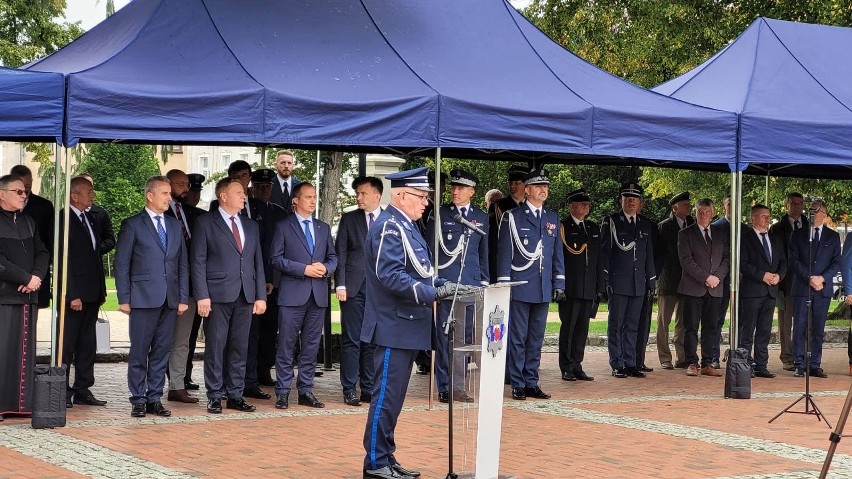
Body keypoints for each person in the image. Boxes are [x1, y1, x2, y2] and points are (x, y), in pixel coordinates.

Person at [361, 167, 464, 479]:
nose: (426, 202)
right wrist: (430, 292)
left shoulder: (407, 225)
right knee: (386, 396)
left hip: (406, 325)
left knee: (393, 398)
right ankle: (376, 463)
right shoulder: (389, 227)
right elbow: (390, 274)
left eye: (427, 197)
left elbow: (419, 270)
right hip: (394, 325)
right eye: (421, 196)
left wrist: (441, 284)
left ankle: (386, 457)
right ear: (401, 195)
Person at [114, 176, 189, 418]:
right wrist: (124, 298)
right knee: (139, 351)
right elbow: (122, 263)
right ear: (150, 195)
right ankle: (137, 398)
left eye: (169, 193)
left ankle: (154, 397)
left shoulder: (175, 225)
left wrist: (183, 297)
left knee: (161, 351)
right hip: (143, 298)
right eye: (165, 193)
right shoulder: (133, 224)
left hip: (170, 299)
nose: (169, 198)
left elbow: (182, 265)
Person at [192, 177, 267, 414]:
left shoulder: (251, 225)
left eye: (244, 192)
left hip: (245, 294)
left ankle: (235, 394)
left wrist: (260, 296)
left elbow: (257, 263)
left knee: (240, 346)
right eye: (238, 192)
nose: (244, 196)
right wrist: (202, 295)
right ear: (223, 196)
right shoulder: (205, 222)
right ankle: (214, 395)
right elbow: (198, 261)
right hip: (217, 295)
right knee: (215, 346)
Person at [497, 167, 565, 400]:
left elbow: (557, 254)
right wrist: (505, 284)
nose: (543, 190)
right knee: (518, 337)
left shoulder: (552, 218)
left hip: (543, 287)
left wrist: (560, 282)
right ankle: (517, 382)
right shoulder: (513, 217)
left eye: (545, 186)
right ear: (527, 190)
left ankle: (531, 381)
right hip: (520, 285)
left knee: (536, 338)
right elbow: (505, 254)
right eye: (538, 186)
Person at [269, 182, 338, 409]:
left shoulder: (323, 227)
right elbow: (275, 258)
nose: (312, 201)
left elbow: (333, 256)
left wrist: (326, 268)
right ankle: (282, 391)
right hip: (292, 295)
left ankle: (306, 390)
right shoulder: (283, 226)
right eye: (308, 197)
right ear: (295, 201)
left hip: (317, 294)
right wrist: (303, 269)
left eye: (315, 197)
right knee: (286, 344)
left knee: (311, 345)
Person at [427, 169, 489, 403]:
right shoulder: (440, 214)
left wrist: (484, 279)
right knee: (445, 337)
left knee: (465, 338)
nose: (455, 191)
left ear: (472, 191)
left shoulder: (481, 217)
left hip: (471, 283)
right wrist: (434, 281)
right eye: (453, 187)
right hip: (447, 283)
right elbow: (430, 250)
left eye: (461, 188)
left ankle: (459, 385)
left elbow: (483, 253)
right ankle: (444, 386)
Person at [0, 174, 49, 421]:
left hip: (28, 296)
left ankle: (21, 404)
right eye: (18, 192)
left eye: (25, 192)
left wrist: (36, 277)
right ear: (2, 194)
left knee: (25, 352)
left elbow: (42, 252)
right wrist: (24, 278)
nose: (24, 195)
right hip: (4, 297)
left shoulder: (29, 221)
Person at [59, 176, 108, 408]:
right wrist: (72, 294)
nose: (93, 194)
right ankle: (62, 389)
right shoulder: (64, 219)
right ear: (74, 195)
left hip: (93, 293)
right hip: (75, 296)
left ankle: (82, 388)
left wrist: (101, 290)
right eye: (88, 191)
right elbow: (63, 260)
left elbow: (95, 255)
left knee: (88, 344)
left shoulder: (89, 218)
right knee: (67, 343)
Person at [335, 176, 383, 406]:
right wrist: (340, 284)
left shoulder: (389, 219)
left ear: (377, 195)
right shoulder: (349, 219)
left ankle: (368, 387)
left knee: (372, 341)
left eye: (363, 193)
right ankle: (349, 388)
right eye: (357, 194)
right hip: (353, 288)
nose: (359, 197)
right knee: (352, 340)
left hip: (380, 290)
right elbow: (341, 253)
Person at [599, 183, 656, 378]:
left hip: (638, 283)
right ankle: (617, 363)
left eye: (634, 198)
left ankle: (631, 362)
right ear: (620, 201)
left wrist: (651, 280)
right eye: (627, 198)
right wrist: (605, 279)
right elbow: (605, 252)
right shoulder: (612, 222)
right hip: (619, 282)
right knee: (616, 324)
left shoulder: (644, 224)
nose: (631, 202)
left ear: (640, 202)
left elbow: (648, 255)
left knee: (633, 325)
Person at [163, 169, 206, 404]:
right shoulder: (159, 213)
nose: (185, 188)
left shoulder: (191, 214)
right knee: (158, 340)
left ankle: (177, 385)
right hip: (161, 287)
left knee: (182, 340)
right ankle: (151, 387)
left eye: (186, 184)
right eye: (180, 183)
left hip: (187, 287)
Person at [788, 199, 840, 378]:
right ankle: (799, 363)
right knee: (800, 325)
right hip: (803, 287)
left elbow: (836, 262)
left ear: (823, 215)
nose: (811, 214)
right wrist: (809, 277)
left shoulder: (832, 237)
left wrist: (822, 278)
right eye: (810, 210)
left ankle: (815, 364)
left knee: (818, 327)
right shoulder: (798, 234)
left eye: (815, 211)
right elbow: (793, 260)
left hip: (823, 289)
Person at [677, 198, 729, 377]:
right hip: (693, 287)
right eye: (700, 211)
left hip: (715, 288)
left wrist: (717, 278)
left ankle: (708, 363)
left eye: (707, 212)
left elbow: (727, 259)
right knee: (691, 327)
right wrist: (706, 277)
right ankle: (691, 362)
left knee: (711, 327)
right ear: (695, 212)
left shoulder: (721, 233)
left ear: (713, 213)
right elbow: (686, 261)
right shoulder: (685, 234)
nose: (703, 215)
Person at [248, 168, 288, 393]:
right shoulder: (248, 211)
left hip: (275, 280)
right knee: (251, 330)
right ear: (252, 188)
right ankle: (250, 373)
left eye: (267, 186)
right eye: (259, 186)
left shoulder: (279, 213)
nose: (264, 190)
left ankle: (264, 369)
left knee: (270, 329)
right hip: (253, 279)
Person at [739, 204, 786, 379]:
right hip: (752, 291)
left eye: (769, 216)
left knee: (765, 330)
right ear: (753, 218)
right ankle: (746, 364)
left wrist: (778, 276)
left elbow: (783, 262)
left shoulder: (775, 239)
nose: (767, 219)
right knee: (747, 329)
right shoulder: (745, 238)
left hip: (771, 291)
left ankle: (761, 365)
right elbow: (742, 264)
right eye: (763, 216)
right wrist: (762, 276)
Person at [557, 189, 599, 382]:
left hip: (587, 287)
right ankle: (566, 366)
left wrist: (598, 286)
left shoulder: (591, 228)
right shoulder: (563, 227)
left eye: (587, 204)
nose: (585, 207)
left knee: (582, 328)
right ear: (571, 206)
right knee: (569, 328)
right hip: (571, 287)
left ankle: (577, 365)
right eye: (581, 204)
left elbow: (597, 259)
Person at [769, 192, 807, 372]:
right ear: (786, 205)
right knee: (786, 323)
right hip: (786, 282)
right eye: (793, 203)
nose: (797, 206)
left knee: (806, 321)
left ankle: (804, 355)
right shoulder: (777, 229)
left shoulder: (809, 224)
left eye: (800, 203)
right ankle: (787, 357)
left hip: (806, 282)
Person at [655, 191, 693, 370]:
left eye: (689, 204)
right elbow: (658, 254)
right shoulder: (664, 226)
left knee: (683, 322)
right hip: (668, 281)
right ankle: (664, 357)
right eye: (685, 204)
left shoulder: (692, 224)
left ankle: (682, 357)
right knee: (664, 322)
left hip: (687, 282)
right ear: (675, 207)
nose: (689, 207)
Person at [183, 173, 206, 389]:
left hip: (195, 284)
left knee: (190, 335)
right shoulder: (177, 214)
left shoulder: (202, 216)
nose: (194, 196)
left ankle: (185, 375)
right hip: (180, 281)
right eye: (191, 191)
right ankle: (177, 376)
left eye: (197, 192)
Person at [488, 164, 527, 284]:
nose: (513, 186)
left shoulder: (531, 206)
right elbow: (493, 240)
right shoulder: (499, 206)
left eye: (517, 183)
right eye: (510, 183)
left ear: (526, 185)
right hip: (505, 262)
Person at [710, 196, 732, 368]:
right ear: (724, 207)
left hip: (742, 281)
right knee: (717, 319)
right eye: (729, 204)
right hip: (721, 280)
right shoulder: (716, 227)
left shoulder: (744, 228)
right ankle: (713, 356)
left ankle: (738, 355)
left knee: (741, 321)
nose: (733, 207)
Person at [77, 172, 116, 256]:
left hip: (94, 264)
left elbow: (110, 240)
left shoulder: (101, 214)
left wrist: (95, 250)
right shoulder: (66, 214)